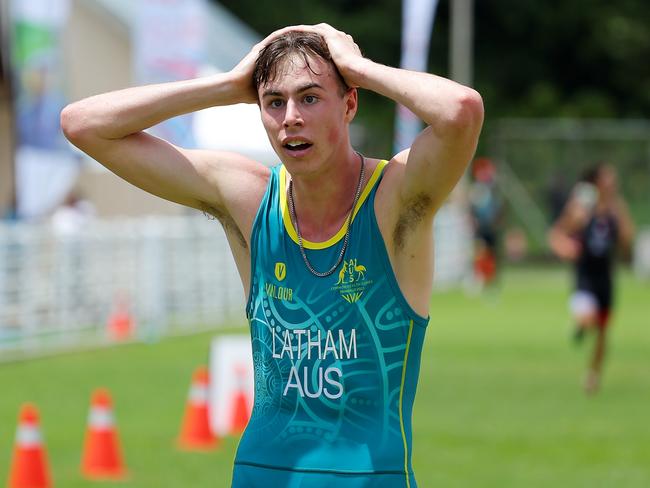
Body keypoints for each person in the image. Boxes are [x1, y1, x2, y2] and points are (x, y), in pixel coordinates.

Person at [61, 24, 483, 487]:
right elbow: (84, 125)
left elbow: (461, 111)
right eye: (274, 102)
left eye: (311, 97)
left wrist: (358, 68)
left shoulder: (393, 199)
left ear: (349, 103)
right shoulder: (249, 196)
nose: (291, 118)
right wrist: (226, 85)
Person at [548, 163, 634, 395]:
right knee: (588, 319)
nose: (612, 182)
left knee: (603, 332)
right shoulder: (582, 205)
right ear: (597, 182)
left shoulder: (617, 209)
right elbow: (557, 234)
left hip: (606, 277)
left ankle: (593, 375)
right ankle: (580, 325)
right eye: (608, 177)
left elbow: (627, 241)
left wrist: (622, 217)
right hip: (585, 275)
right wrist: (566, 247)